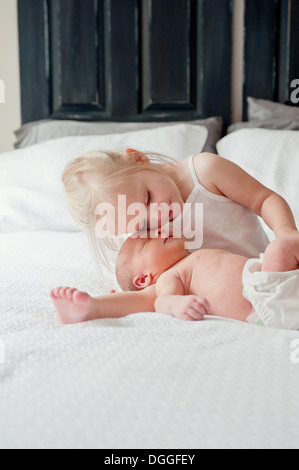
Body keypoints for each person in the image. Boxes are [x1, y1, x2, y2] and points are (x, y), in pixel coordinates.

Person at [53, 147, 299, 319]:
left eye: (148, 198)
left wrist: (286, 233)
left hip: (268, 274)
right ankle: (93, 308)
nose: (158, 217)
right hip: (213, 296)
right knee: (156, 295)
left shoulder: (205, 171)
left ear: (139, 159)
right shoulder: (166, 255)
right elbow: (147, 273)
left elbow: (264, 199)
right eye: (140, 226)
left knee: (281, 251)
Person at [51, 231, 299, 330]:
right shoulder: (171, 277)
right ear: (144, 278)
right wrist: (176, 305)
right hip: (265, 300)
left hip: (279, 295)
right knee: (282, 247)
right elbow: (160, 302)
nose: (159, 231)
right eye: (149, 240)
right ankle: (84, 311)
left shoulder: (191, 260)